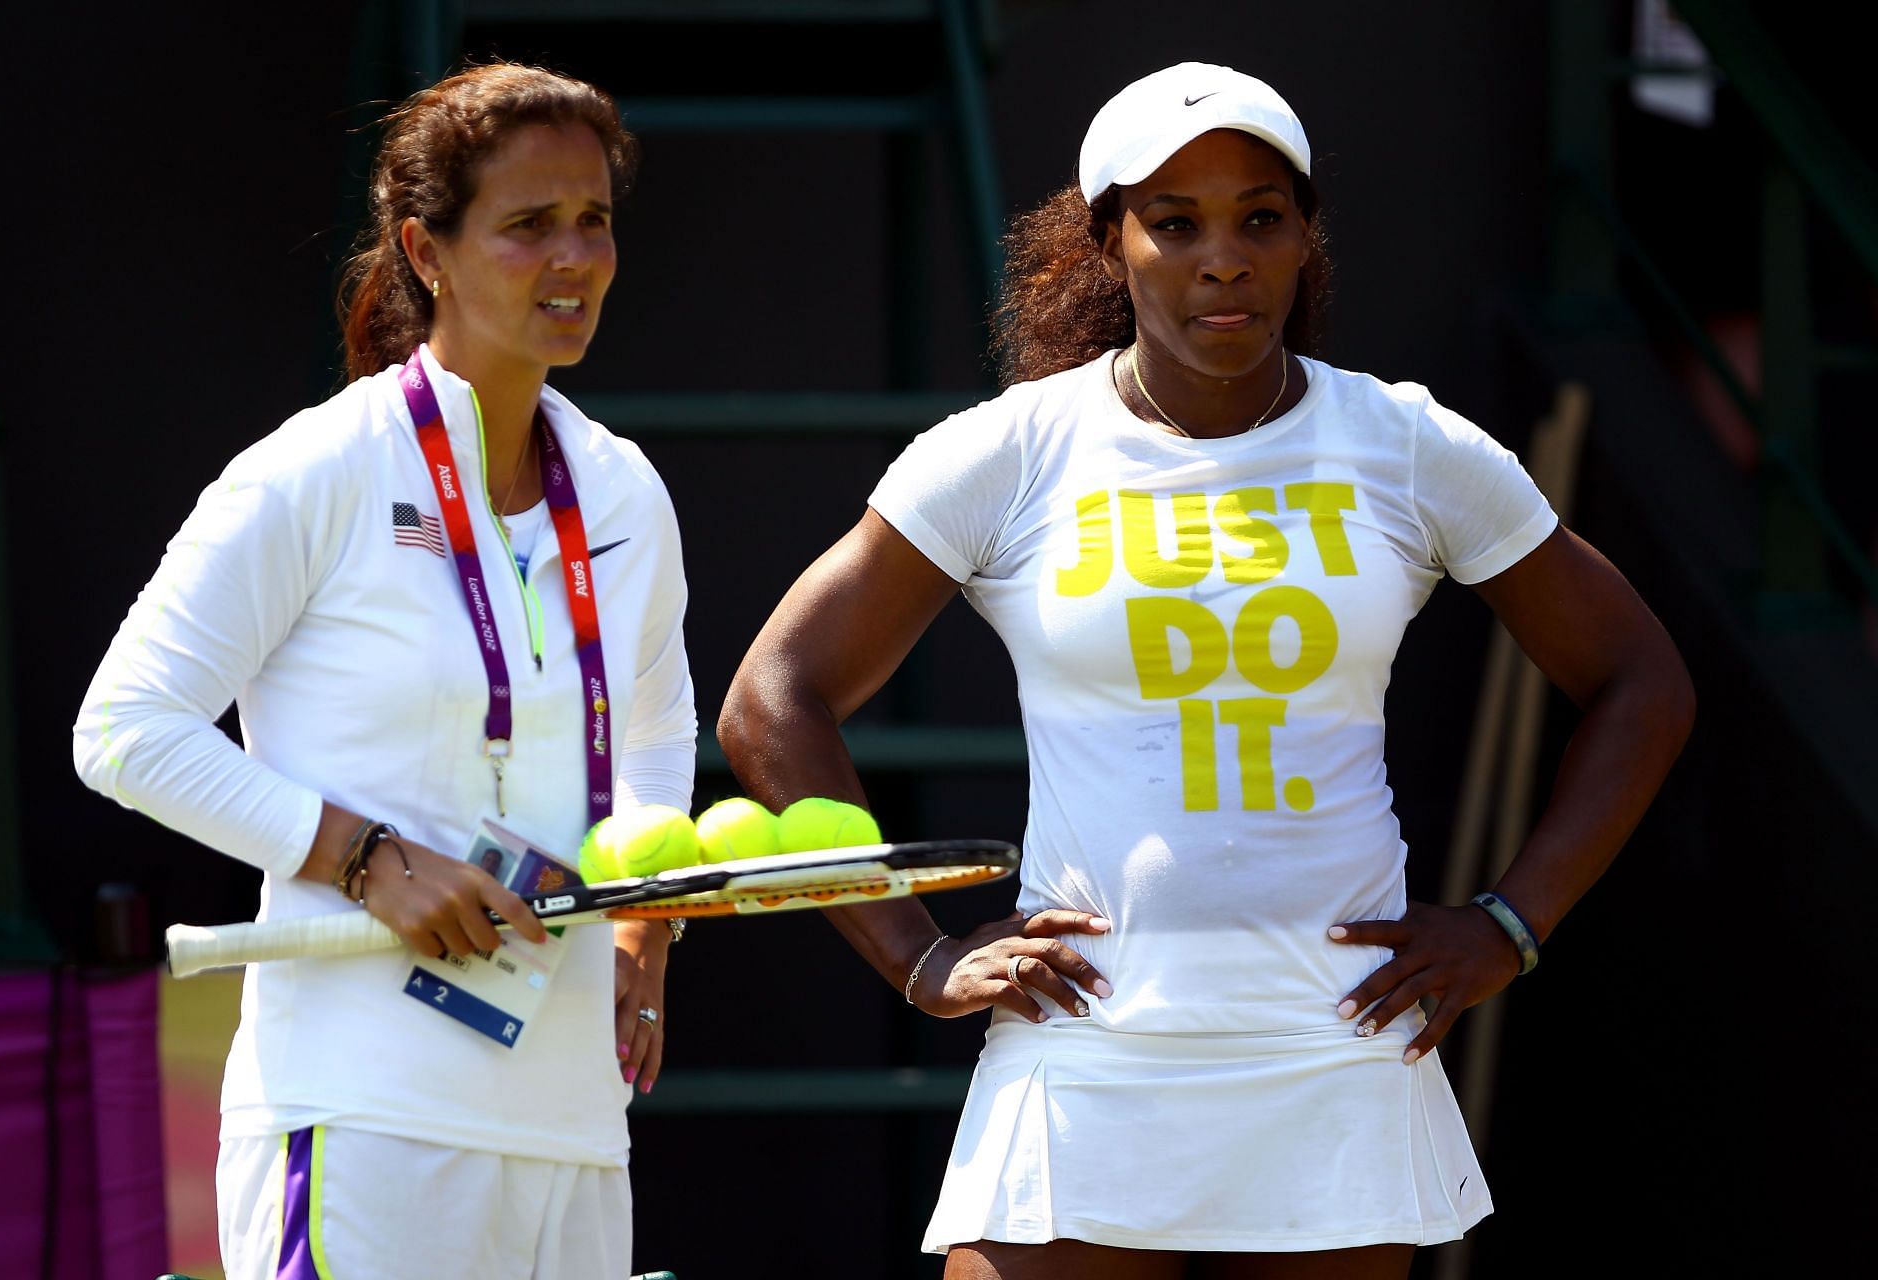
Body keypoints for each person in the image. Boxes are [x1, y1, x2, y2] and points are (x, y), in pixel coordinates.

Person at [717, 63, 1694, 1280]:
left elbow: (1642, 682)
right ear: (1107, 243)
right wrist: (915, 952)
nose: (1221, 258)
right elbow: (771, 702)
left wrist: (1510, 922)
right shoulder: (1012, 450)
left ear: (1304, 240)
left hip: (1336, 1047)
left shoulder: (1405, 443)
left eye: (1259, 218)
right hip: (1085, 1048)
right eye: (1174, 223)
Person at [72, 63, 694, 1279]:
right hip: (361, 1111)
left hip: (575, 1124)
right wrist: (363, 856)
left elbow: (659, 729)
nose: (574, 256)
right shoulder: (318, 468)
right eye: (528, 226)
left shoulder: (625, 491)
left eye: (595, 219)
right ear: (427, 249)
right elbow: (125, 727)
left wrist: (645, 928)